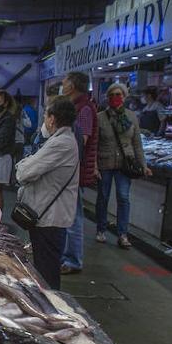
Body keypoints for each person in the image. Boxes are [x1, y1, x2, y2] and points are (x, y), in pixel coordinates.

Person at [15, 97, 80, 289]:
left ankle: (50, 312)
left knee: (46, 274)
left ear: (52, 119)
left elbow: (25, 172)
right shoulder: (61, 140)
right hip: (48, 216)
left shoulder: (61, 143)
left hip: (50, 219)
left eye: (45, 115)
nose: (44, 119)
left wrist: (22, 165)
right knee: (43, 268)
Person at [96, 82, 151, 248]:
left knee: (123, 197)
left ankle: (122, 234)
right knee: (103, 197)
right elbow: (95, 144)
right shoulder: (100, 118)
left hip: (125, 164)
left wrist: (144, 165)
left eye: (118, 95)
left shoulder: (131, 117)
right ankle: (101, 229)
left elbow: (137, 144)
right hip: (105, 162)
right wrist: (94, 166)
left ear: (124, 97)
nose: (115, 98)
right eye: (112, 95)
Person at [59, 71, 97, 275]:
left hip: (74, 172)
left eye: (64, 83)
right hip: (71, 171)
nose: (62, 86)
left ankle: (73, 260)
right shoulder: (78, 107)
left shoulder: (83, 109)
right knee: (68, 215)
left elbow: (79, 144)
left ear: (72, 86)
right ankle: (66, 256)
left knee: (73, 217)